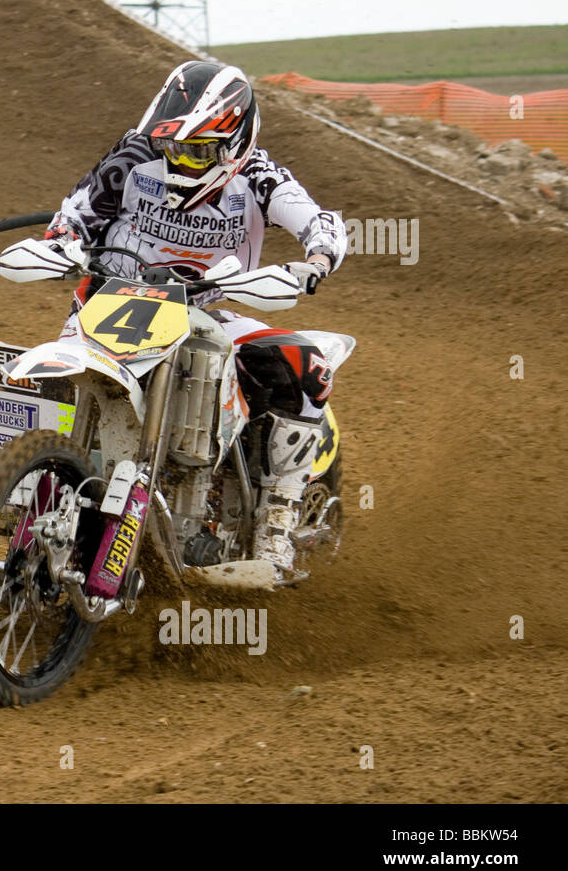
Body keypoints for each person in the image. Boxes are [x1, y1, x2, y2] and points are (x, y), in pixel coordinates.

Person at [30, 60, 348, 581]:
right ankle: (34, 484)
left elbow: (321, 223)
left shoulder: (259, 177)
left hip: (209, 313)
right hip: (111, 303)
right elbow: (76, 211)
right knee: (52, 388)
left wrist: (314, 262)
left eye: (196, 150)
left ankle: (276, 522)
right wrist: (59, 242)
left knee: (307, 364)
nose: (178, 159)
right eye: (172, 145)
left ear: (235, 142)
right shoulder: (134, 156)